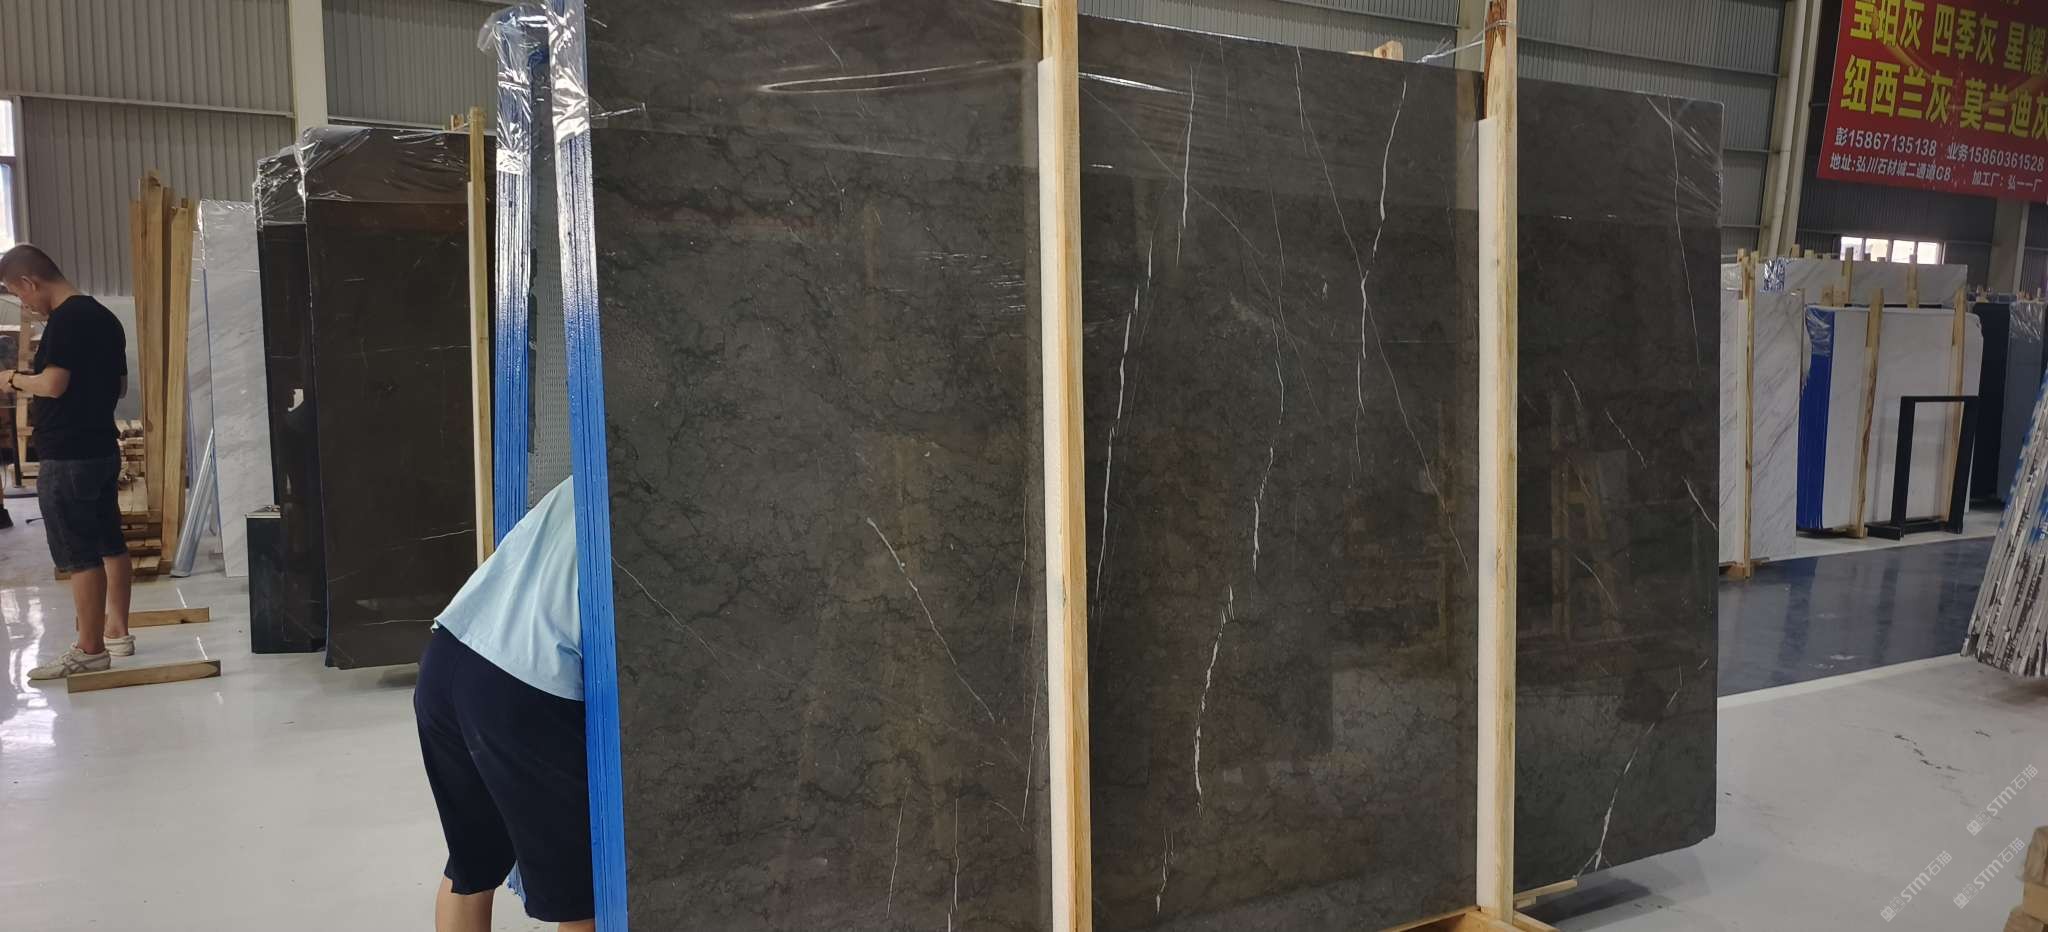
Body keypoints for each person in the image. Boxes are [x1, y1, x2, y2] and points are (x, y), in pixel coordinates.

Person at [415, 476, 592, 932]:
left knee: (472, 866)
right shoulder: (653, 487)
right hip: (521, 685)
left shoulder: (588, 473)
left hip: (449, 655)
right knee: (586, 892)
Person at [1, 245, 135, 680]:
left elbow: (53, 384)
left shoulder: (65, 320)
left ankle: (90, 650)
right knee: (109, 542)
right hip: (100, 447)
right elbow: (119, 386)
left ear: (29, 282)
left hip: (68, 454)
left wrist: (13, 379)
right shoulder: (104, 317)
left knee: (79, 554)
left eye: (18, 293)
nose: (23, 303)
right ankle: (117, 631)